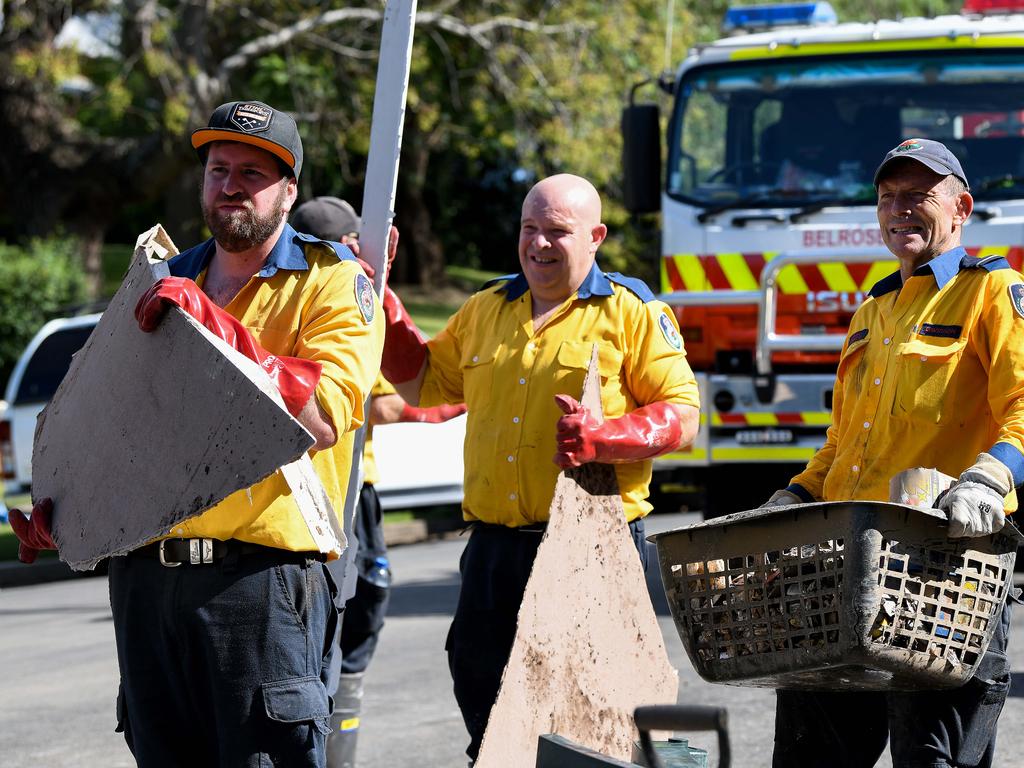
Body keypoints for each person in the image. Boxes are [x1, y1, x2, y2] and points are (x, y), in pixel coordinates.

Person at [10, 100, 384, 767]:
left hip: (262, 585)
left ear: (289, 191)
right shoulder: (162, 280)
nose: (230, 184)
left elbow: (324, 416)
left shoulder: (331, 283)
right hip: (145, 588)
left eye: (252, 172)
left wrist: (218, 328)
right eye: (218, 169)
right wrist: (65, 510)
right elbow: (116, 422)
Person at [378, 173, 701, 761]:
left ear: (596, 237)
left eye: (558, 231)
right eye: (530, 229)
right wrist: (380, 295)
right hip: (493, 552)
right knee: (487, 698)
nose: (540, 244)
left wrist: (606, 437)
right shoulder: (485, 307)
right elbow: (421, 382)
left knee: (591, 726)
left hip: (592, 549)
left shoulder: (631, 311)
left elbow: (682, 414)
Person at [762, 138, 1024, 768]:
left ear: (960, 208)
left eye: (917, 197)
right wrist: (794, 495)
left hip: (943, 577)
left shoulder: (992, 291)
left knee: (931, 759)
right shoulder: (871, 310)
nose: (899, 210)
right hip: (843, 574)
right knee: (811, 756)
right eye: (887, 198)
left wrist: (989, 480)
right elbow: (842, 442)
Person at [291, 196, 466, 767]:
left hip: (346, 488)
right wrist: (464, 400)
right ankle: (329, 741)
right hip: (336, 491)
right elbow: (392, 406)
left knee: (356, 608)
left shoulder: (329, 295)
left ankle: (335, 734)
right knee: (351, 609)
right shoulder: (332, 295)